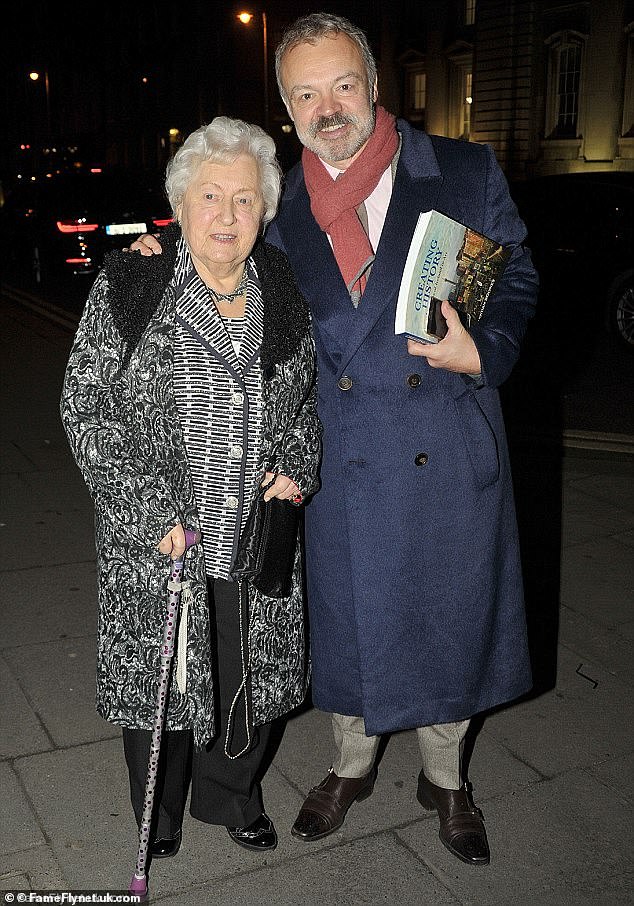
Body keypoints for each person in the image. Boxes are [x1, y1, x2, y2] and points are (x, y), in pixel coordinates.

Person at [130, 13, 539, 866]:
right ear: (286, 107)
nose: (328, 108)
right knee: (349, 629)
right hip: (341, 460)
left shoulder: (458, 169)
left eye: (343, 85)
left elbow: (519, 274)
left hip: (446, 443)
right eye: (305, 93)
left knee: (451, 622)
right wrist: (151, 259)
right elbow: (218, 246)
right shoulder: (276, 202)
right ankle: (350, 764)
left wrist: (485, 348)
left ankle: (447, 779)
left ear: (374, 85)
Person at [60, 116, 322, 858]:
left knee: (245, 680)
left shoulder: (282, 291)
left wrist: (297, 466)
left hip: (251, 533)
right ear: (181, 203)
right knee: (162, 687)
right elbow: (86, 408)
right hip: (162, 540)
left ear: (265, 209)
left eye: (245, 200)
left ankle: (233, 798)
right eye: (212, 196)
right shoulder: (134, 284)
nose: (228, 216)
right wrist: (150, 511)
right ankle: (160, 815)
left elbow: (303, 407)